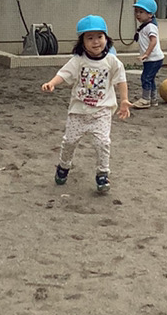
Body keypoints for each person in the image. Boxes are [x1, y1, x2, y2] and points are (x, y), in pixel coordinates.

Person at [42, 15, 131, 194]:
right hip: (79, 111)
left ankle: (102, 175)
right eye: (89, 38)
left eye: (99, 36)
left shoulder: (112, 61)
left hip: (102, 112)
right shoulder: (78, 60)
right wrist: (52, 82)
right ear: (82, 41)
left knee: (103, 143)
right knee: (69, 142)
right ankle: (63, 166)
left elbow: (121, 80)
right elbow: (64, 73)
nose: (96, 42)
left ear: (106, 38)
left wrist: (124, 101)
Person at [130, 0, 165, 109]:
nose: (138, 14)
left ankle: (145, 99)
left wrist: (146, 53)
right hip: (152, 59)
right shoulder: (145, 26)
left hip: (153, 58)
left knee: (145, 78)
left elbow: (153, 41)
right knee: (150, 78)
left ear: (150, 14)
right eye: (136, 11)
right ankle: (153, 99)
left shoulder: (150, 27)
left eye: (141, 12)